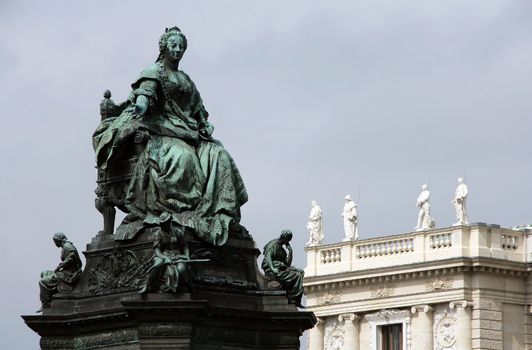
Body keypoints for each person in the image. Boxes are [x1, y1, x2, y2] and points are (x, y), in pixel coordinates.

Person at [93, 27, 248, 245]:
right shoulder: (154, 72)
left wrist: (204, 122)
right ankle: (179, 212)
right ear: (164, 47)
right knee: (183, 157)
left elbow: (198, 109)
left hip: (188, 131)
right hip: (161, 128)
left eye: (181, 47)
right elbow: (145, 95)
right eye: (173, 45)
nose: (177, 50)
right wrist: (141, 107)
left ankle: (221, 214)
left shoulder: (185, 79)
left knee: (219, 154)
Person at [140, 213, 189, 295]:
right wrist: (165, 257)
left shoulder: (178, 232)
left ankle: (176, 286)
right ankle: (147, 285)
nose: (167, 224)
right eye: (164, 223)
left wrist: (187, 256)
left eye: (168, 222)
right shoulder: (158, 234)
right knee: (157, 264)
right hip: (162, 255)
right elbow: (157, 250)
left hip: (177, 256)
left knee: (181, 269)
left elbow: (185, 246)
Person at [37, 233, 82, 312]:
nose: (54, 243)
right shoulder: (65, 246)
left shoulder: (67, 246)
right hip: (65, 271)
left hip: (70, 274)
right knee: (44, 273)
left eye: (54, 241)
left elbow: (71, 257)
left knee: (42, 282)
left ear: (57, 240)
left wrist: (59, 267)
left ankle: (45, 304)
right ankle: (49, 297)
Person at [262, 230, 305, 308]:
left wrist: (290, 251)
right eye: (287, 239)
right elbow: (268, 257)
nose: (287, 241)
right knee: (297, 276)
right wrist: (272, 268)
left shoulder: (282, 250)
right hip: (272, 269)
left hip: (281, 268)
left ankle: (296, 299)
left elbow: (287, 264)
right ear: (283, 237)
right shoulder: (273, 244)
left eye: (288, 240)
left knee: (301, 272)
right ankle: (293, 298)